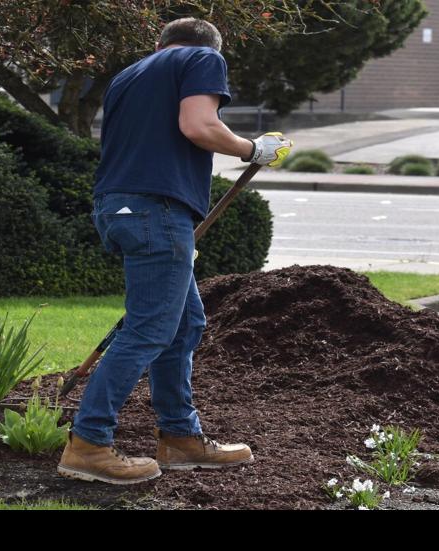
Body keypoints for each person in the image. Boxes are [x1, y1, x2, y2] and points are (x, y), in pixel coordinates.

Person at [57, 18, 290, 485]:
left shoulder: (131, 74)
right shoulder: (203, 57)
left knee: (185, 323)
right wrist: (252, 149)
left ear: (159, 44)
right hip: (156, 210)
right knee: (148, 330)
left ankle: (180, 438)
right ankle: (88, 444)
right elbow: (199, 125)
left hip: (122, 207)